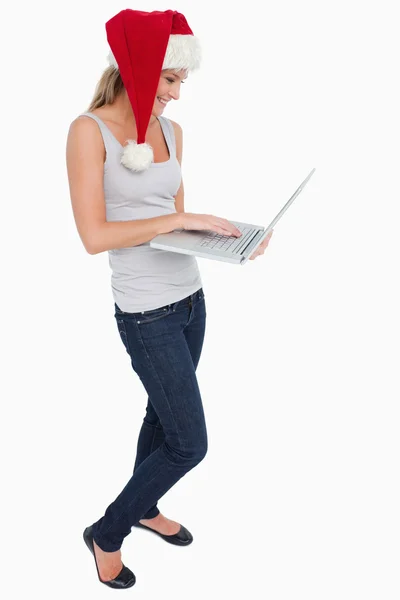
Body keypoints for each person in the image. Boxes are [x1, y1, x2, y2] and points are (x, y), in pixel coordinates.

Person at [66, 8, 273, 590]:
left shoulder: (171, 132)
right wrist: (183, 216)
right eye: (170, 81)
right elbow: (93, 237)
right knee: (189, 443)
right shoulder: (90, 131)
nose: (178, 96)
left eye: (181, 82)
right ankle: (108, 532)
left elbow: (172, 223)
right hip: (145, 311)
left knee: (161, 416)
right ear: (137, 70)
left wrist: (230, 236)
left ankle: (145, 505)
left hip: (190, 299)